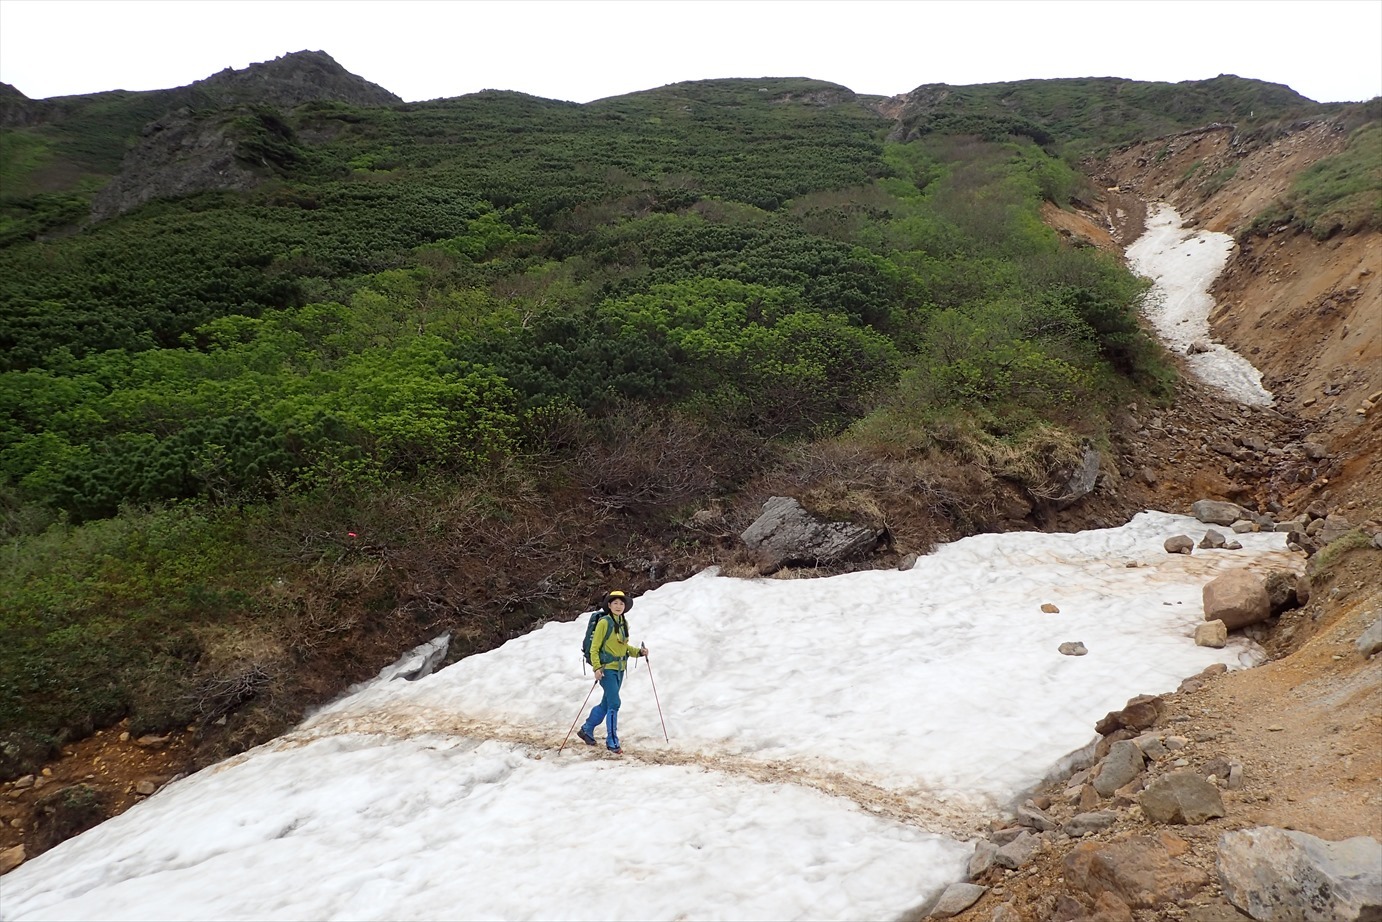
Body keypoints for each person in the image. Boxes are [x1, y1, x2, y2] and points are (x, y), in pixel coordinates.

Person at [577, 589, 648, 754]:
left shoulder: (623, 623)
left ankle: (586, 729)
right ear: (609, 605)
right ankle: (612, 741)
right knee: (615, 703)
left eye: (621, 603)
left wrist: (638, 652)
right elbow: (594, 648)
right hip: (607, 670)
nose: (618, 606)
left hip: (620, 669)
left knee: (606, 703)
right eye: (615, 603)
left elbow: (623, 647)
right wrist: (596, 667)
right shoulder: (604, 623)